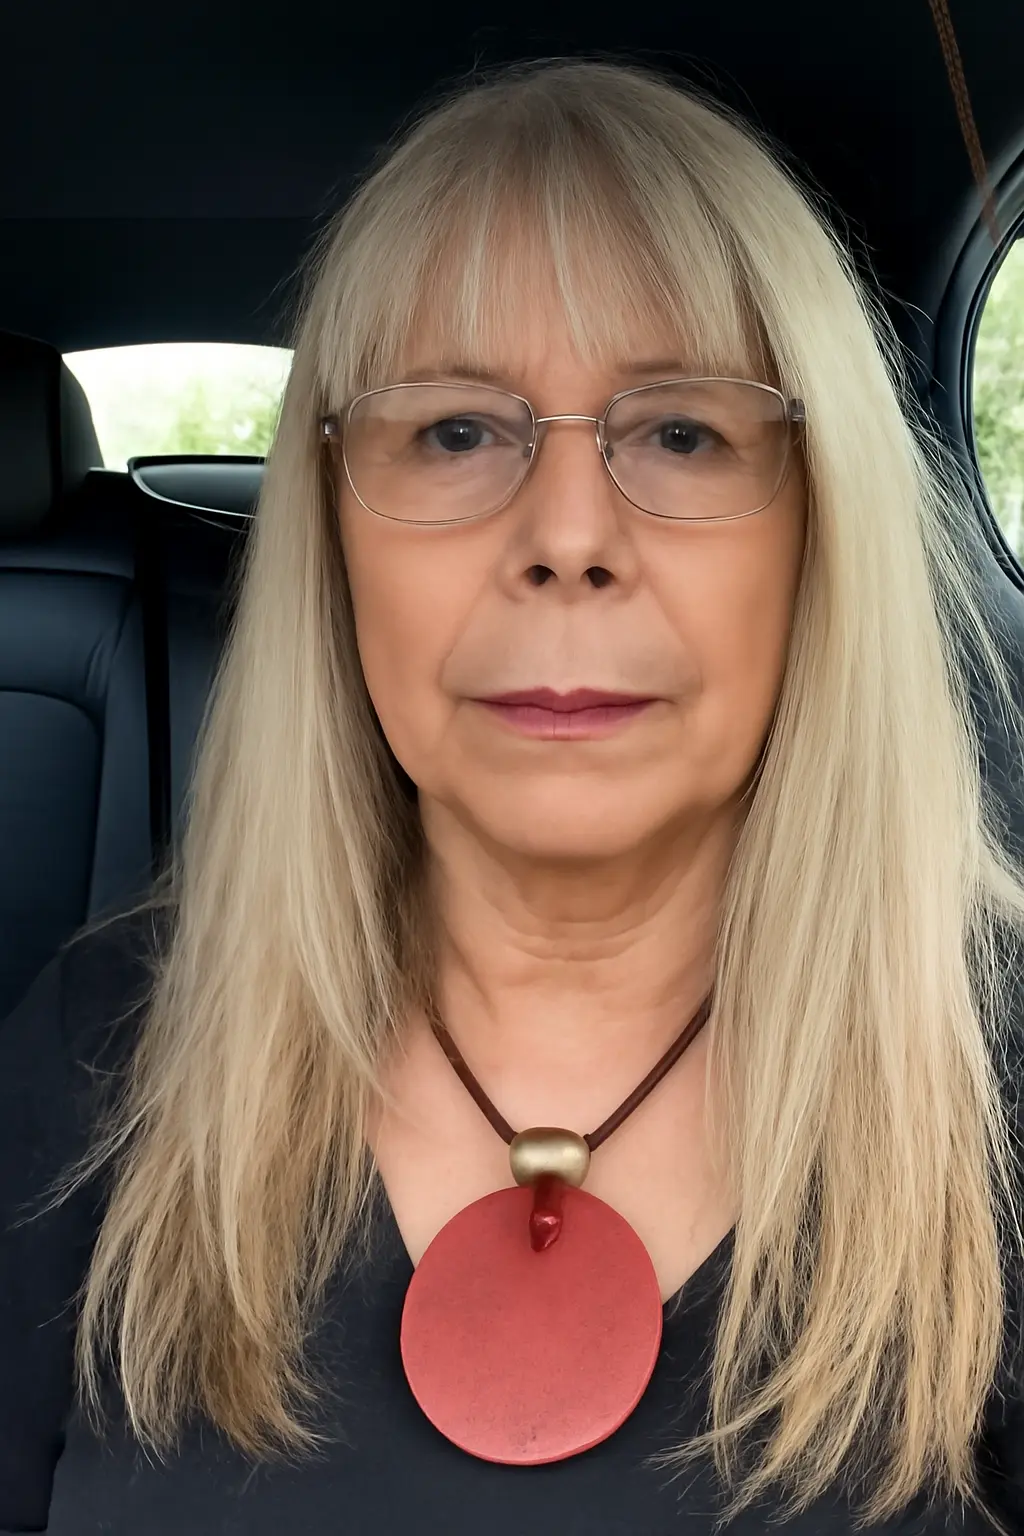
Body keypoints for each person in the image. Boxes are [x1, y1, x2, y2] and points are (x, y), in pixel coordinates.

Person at [1, 54, 1023, 1536]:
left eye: (683, 431)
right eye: (456, 431)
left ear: (824, 528)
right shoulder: (102, 1051)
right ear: (333, 539)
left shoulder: (999, 1072)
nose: (567, 534)